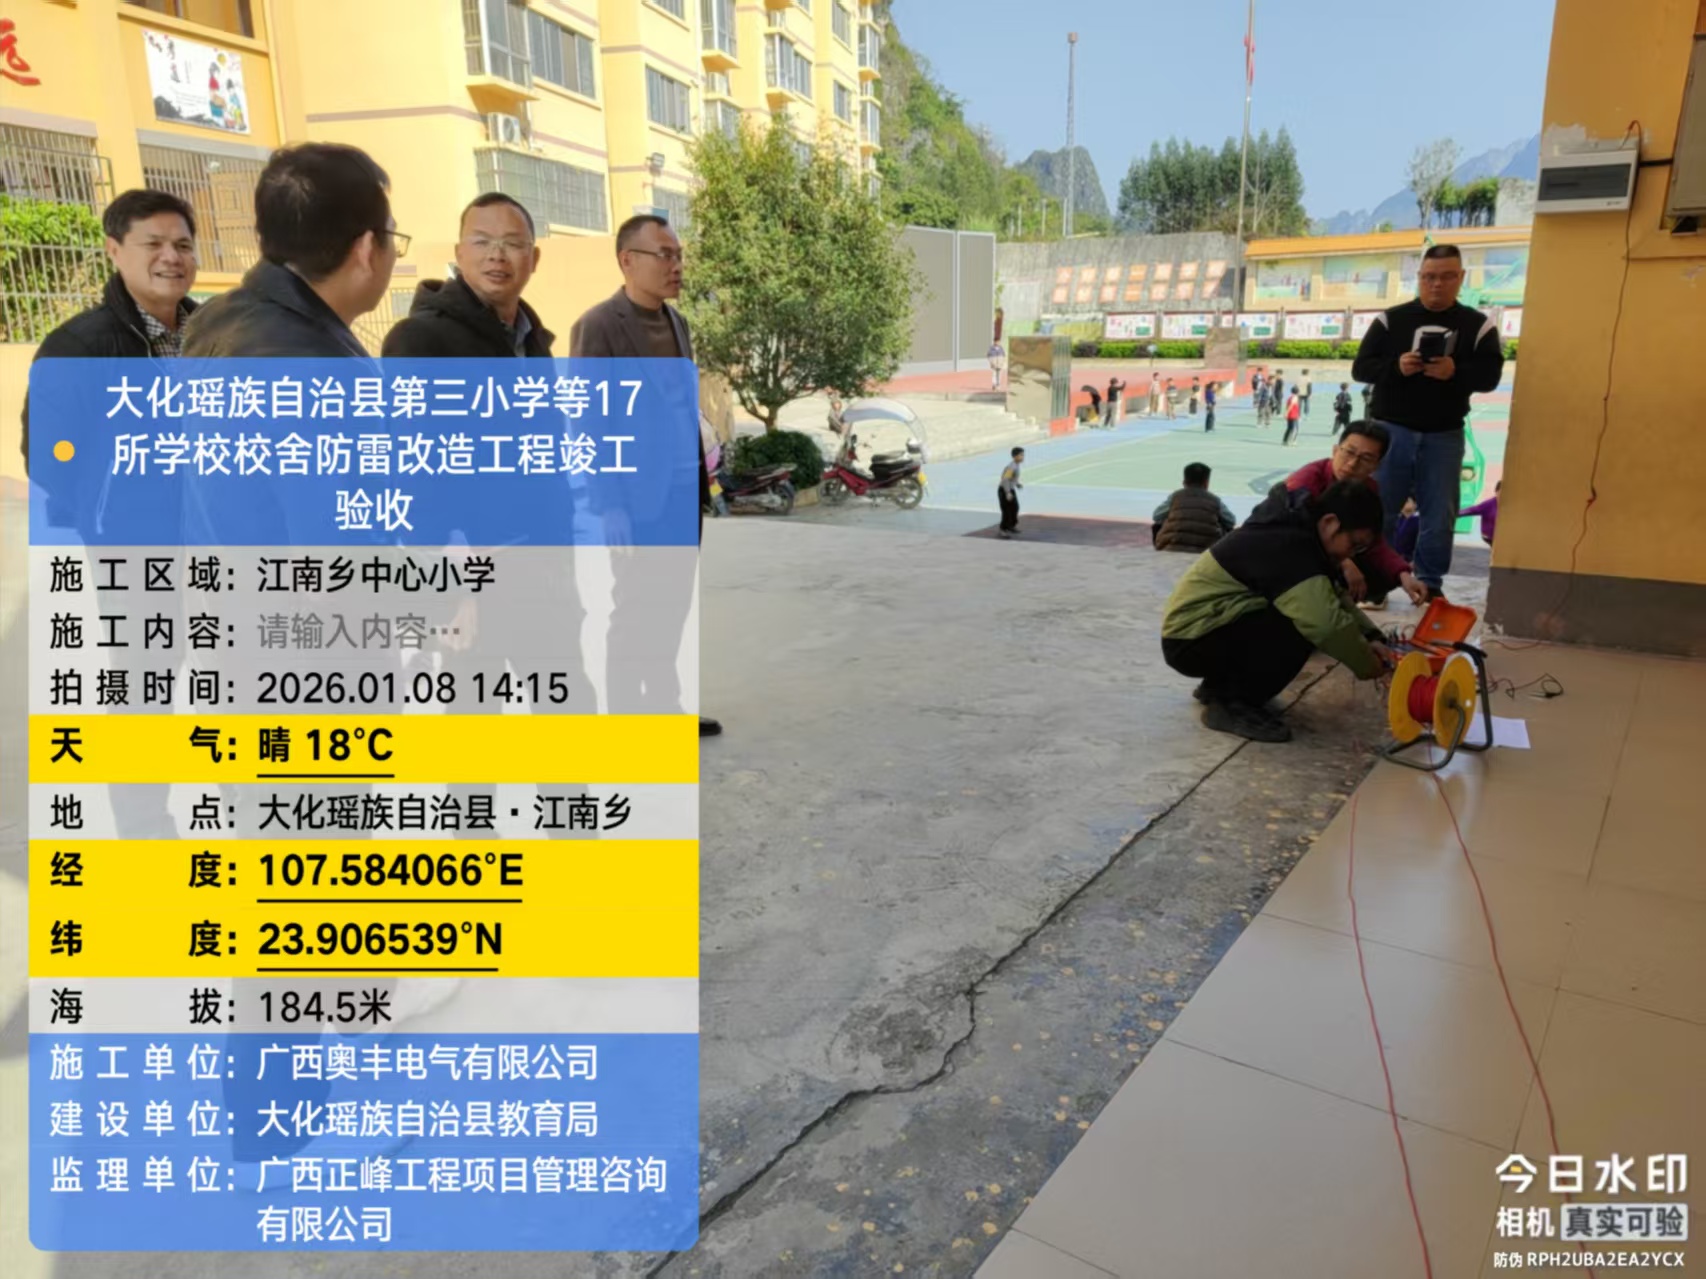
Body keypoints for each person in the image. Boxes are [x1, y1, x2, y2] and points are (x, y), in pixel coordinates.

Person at [380, 191, 598, 819]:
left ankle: (575, 853)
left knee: (566, 714)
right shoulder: (420, 341)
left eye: (512, 243)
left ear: (534, 258)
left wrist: (563, 556)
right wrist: (450, 589)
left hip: (542, 572)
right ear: (458, 252)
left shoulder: (529, 341)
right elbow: (414, 469)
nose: (497, 255)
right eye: (482, 242)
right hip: (473, 581)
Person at [20, 187, 200, 845]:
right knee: (146, 690)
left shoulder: (214, 335)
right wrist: (111, 506)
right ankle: (147, 833)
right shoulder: (81, 344)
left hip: (222, 545)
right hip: (138, 548)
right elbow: (48, 451)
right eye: (153, 243)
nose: (171, 257)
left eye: (182, 244)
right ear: (114, 249)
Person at [569, 214, 721, 738]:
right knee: (634, 610)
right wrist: (609, 504)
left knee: (673, 605)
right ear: (627, 260)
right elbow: (589, 423)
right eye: (665, 255)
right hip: (635, 499)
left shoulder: (678, 324)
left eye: (679, 255)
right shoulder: (599, 326)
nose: (677, 265)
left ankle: (665, 707)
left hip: (682, 492)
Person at [1161, 480, 1396, 743]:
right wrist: (1368, 664)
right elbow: (1326, 624)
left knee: (1305, 610)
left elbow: (1334, 595)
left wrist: (1372, 636)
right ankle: (1232, 705)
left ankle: (1220, 687)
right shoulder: (1290, 546)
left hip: (1199, 632)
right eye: (1354, 544)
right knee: (1303, 623)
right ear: (1330, 523)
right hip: (1191, 640)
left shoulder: (1302, 534)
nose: (1350, 554)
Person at [1353, 242, 1504, 596]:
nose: (1437, 284)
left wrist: (1456, 372)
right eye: (1429, 276)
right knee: (1381, 509)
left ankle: (1430, 584)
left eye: (1447, 276)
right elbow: (1361, 368)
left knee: (1439, 514)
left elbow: (1490, 377)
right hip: (1392, 430)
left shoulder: (1478, 326)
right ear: (1419, 277)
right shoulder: (1391, 320)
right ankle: (1376, 582)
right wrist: (1396, 367)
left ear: (1461, 278)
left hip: (1444, 433)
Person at [1282, 421, 1428, 608]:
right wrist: (1345, 563)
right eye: (1349, 452)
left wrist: (1404, 575)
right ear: (1335, 450)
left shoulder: (1367, 489)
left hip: (1333, 553)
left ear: (1376, 466)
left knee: (1383, 576)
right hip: (1294, 556)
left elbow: (1373, 540)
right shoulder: (1305, 483)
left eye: (1366, 458)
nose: (1352, 464)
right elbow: (1290, 537)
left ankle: (1341, 597)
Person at [1152, 462, 1236, 552]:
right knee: (1227, 527)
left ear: (1184, 482)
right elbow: (1231, 521)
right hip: (1206, 549)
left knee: (1157, 525)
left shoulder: (1175, 497)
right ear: (1206, 483)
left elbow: (1156, 516)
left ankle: (1161, 548)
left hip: (1172, 546)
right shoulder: (1214, 500)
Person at [1461, 480, 1500, 545]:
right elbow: (1472, 510)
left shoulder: (1508, 505)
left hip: (1501, 535)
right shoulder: (1488, 504)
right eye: (1500, 492)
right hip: (1489, 536)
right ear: (1496, 491)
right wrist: (1454, 513)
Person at [998, 446, 1024, 538]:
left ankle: (1011, 526)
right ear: (1015, 456)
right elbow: (1005, 479)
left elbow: (1011, 478)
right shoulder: (1011, 466)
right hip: (1005, 490)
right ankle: (1003, 529)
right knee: (1006, 511)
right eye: (1021, 455)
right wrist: (1007, 492)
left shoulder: (1016, 465)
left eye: (1023, 455)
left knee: (1015, 508)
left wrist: (1017, 484)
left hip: (1010, 489)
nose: (1023, 457)